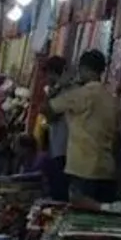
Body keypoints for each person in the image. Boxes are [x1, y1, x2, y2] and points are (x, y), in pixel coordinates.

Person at [46, 49, 118, 203]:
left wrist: (59, 87)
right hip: (106, 168)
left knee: (79, 214)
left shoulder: (81, 94)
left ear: (84, 68)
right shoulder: (111, 97)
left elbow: (47, 109)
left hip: (82, 167)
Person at [41, 55, 72, 200]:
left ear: (52, 73)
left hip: (63, 148)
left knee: (59, 195)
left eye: (47, 74)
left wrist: (52, 92)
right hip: (60, 147)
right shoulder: (61, 90)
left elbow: (47, 112)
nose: (46, 79)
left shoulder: (63, 91)